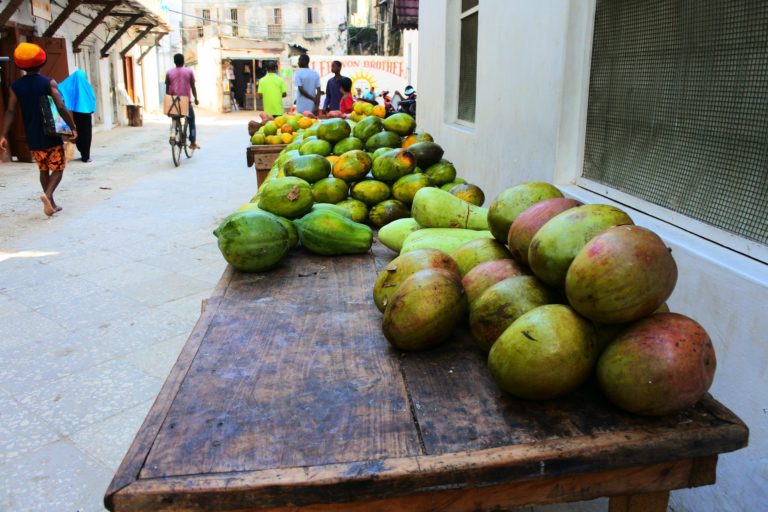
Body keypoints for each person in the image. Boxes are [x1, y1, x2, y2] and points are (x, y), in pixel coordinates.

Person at [0, 43, 77, 216]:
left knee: (43, 169)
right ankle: (48, 194)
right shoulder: (48, 82)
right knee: (58, 167)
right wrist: (72, 127)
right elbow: (61, 106)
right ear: (42, 63)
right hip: (51, 133)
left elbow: (10, 110)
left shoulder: (16, 86)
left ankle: (52, 204)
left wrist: (3, 135)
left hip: (32, 135)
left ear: (20, 65)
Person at [58, 69, 96, 162]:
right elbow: (92, 98)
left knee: (78, 131)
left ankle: (82, 151)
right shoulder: (86, 86)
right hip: (86, 113)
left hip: (77, 112)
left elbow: (61, 88)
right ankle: (86, 156)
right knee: (86, 133)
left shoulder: (73, 84)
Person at [165, 53, 200, 150]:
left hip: (173, 102)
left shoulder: (169, 72)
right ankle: (192, 142)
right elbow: (193, 87)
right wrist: (196, 98)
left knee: (174, 117)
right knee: (191, 121)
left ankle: (173, 133)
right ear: (183, 61)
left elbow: (167, 90)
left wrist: (168, 102)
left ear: (174, 62)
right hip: (185, 102)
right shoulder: (189, 72)